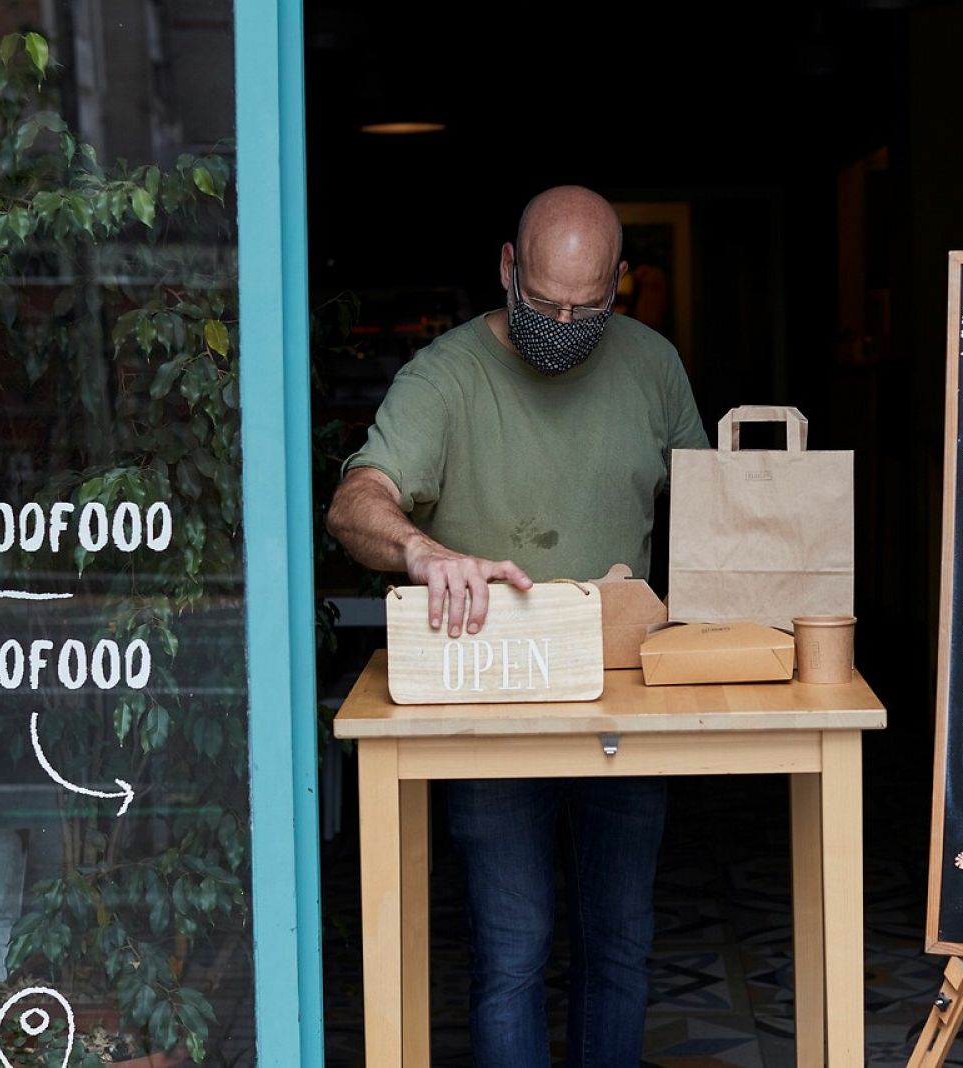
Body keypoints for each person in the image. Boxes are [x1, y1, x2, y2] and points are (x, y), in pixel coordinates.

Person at [326, 185, 708, 1067]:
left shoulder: (654, 367)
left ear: (621, 282)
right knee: (511, 953)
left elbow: (708, 514)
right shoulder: (445, 376)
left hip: (625, 706)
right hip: (488, 699)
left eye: (588, 306)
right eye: (542, 303)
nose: (563, 322)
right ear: (506, 269)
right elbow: (356, 503)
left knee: (619, 944)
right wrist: (421, 551)